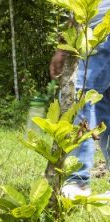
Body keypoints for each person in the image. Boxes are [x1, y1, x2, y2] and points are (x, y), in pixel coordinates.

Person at [50, 0, 110, 198]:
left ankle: (78, 181)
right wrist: (62, 48)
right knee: (103, 108)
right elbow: (76, 11)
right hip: (91, 31)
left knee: (79, 97)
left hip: (100, 32)